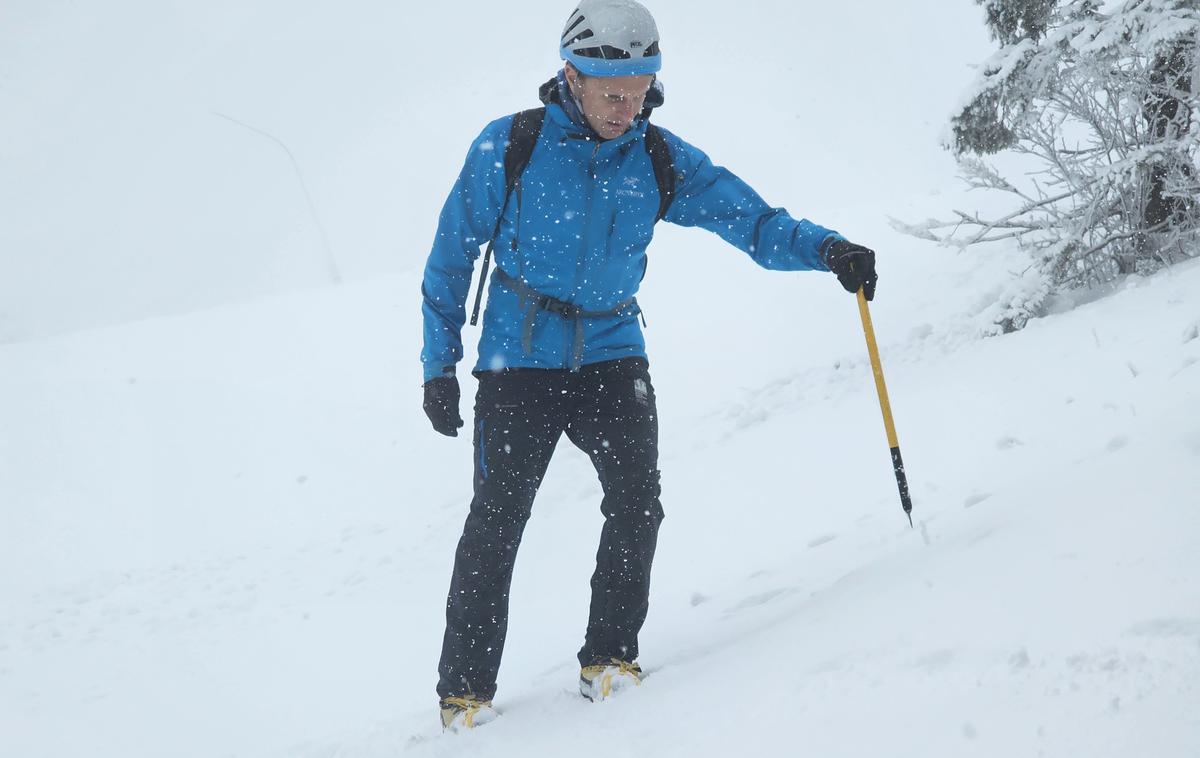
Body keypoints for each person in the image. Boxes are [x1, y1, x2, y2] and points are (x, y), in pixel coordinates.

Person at [420, 0, 878, 730]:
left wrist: (827, 249)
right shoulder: (510, 146)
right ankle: (464, 693)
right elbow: (450, 255)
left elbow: (750, 221)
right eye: (612, 93)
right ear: (571, 76)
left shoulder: (658, 158)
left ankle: (609, 657)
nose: (627, 108)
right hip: (520, 357)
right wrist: (437, 365)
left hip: (611, 351)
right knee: (498, 519)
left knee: (637, 502)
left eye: (639, 92)